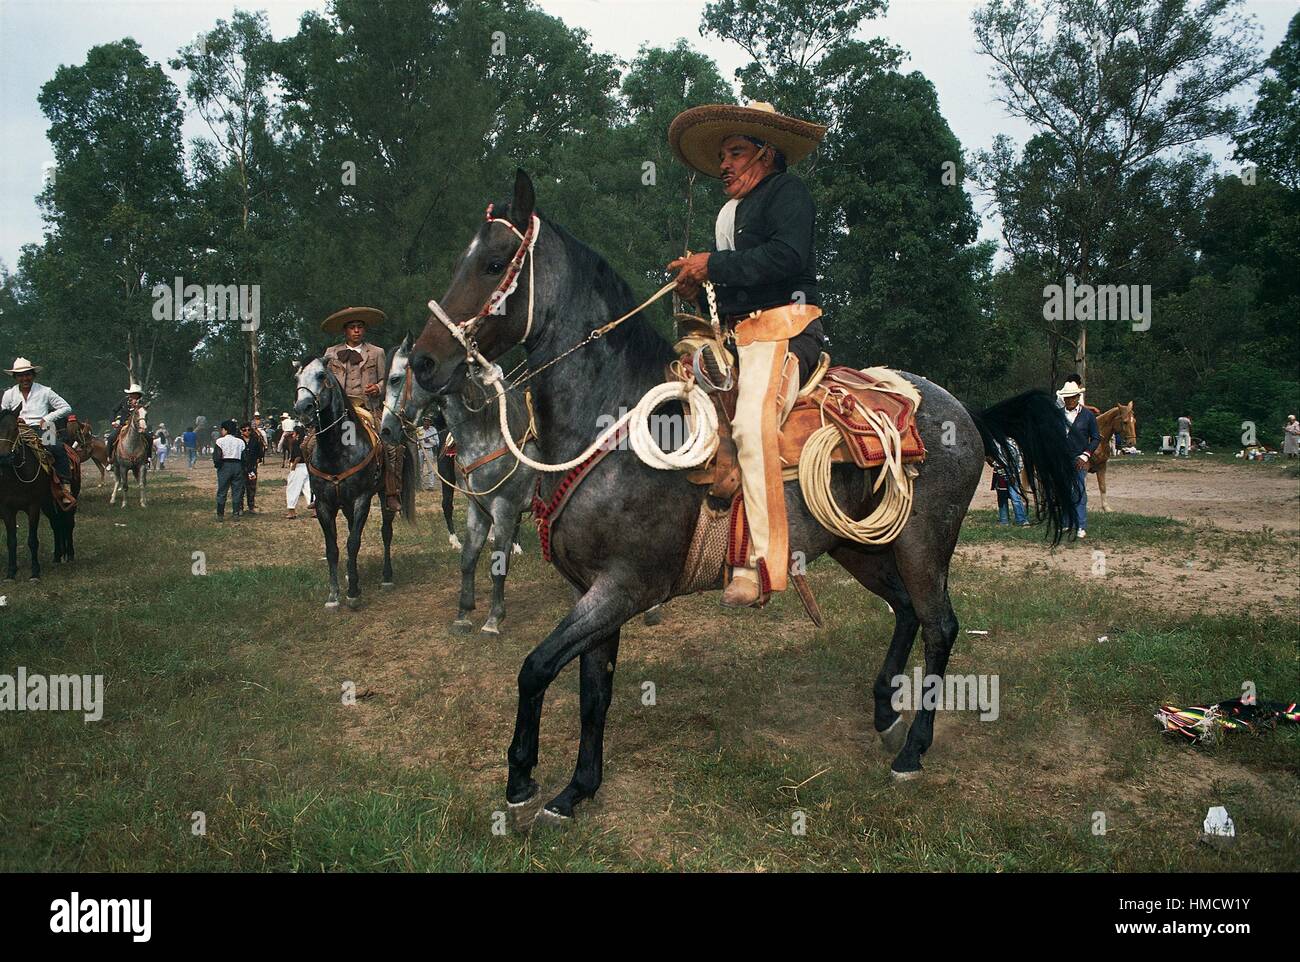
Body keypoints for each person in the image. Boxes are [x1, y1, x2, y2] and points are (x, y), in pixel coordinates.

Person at [666, 100, 828, 607]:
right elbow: (733, 282)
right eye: (722, 156)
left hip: (785, 328)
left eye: (735, 152)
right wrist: (696, 285)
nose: (724, 165)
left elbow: (786, 258)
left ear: (767, 153)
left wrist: (712, 262)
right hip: (734, 335)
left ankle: (761, 562)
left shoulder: (788, 193)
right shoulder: (728, 213)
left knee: (751, 429)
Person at [321, 306, 406, 512]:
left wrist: (377, 387)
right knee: (310, 444)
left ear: (364, 330)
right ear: (345, 331)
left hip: (367, 408)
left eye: (360, 327)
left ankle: (391, 492)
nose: (356, 331)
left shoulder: (377, 352)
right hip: (337, 412)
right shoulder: (331, 353)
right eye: (352, 327)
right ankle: (319, 491)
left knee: (391, 447)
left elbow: (387, 380)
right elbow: (322, 380)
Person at [1, 356, 77, 509]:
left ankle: (64, 486)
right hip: (18, 428)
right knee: (3, 449)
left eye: (28, 374)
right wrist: (12, 420)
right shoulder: (9, 394)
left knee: (57, 448)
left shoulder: (45, 391)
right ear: (16, 377)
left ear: (33, 375)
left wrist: (47, 417)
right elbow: (3, 412)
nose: (25, 378)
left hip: (43, 427)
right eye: (21, 375)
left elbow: (66, 407)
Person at [1058, 380, 1099, 538]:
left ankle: (1081, 525)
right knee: (1064, 491)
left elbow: (1095, 438)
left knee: (1079, 491)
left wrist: (1085, 455)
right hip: (1063, 458)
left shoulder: (1088, 416)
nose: (1069, 400)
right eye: (1067, 398)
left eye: (1072, 397)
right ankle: (1066, 522)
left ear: (1077, 397)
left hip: (1080, 458)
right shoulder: (1059, 415)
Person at [213, 419, 246, 522]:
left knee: (222, 490)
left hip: (225, 465)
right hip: (237, 465)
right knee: (236, 491)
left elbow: (217, 457)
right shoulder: (240, 441)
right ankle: (236, 513)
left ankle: (220, 514)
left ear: (225, 430)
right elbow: (244, 457)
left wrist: (218, 466)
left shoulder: (220, 441)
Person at [107, 383, 145, 461]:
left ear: (138, 395)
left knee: (149, 438)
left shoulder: (142, 403)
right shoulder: (124, 401)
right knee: (111, 438)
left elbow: (144, 415)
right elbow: (114, 410)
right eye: (131, 394)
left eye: (135, 394)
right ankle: (109, 458)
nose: (133, 395)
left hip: (138, 426)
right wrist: (113, 421)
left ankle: (147, 458)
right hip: (123, 426)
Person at [284, 427, 315, 519]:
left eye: (293, 433)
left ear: (297, 434)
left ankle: (291, 511)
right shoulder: (306, 442)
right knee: (308, 488)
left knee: (292, 488)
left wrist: (293, 466)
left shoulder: (296, 442)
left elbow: (297, 456)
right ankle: (315, 510)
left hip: (298, 466)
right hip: (307, 466)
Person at [239, 421, 264, 513]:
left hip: (252, 467)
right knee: (240, 487)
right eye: (244, 430)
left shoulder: (255, 440)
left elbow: (260, 452)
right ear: (241, 431)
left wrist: (258, 460)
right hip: (241, 467)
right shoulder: (238, 440)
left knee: (252, 487)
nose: (247, 431)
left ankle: (251, 506)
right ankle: (240, 507)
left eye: (249, 430)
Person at [418, 415, 440, 489]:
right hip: (420, 450)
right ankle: (420, 485)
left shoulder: (433, 430)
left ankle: (431, 485)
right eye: (425, 421)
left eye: (428, 421)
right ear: (423, 421)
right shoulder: (418, 429)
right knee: (420, 468)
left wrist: (429, 440)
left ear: (430, 423)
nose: (426, 423)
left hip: (429, 450)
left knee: (430, 469)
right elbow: (415, 439)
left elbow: (437, 442)